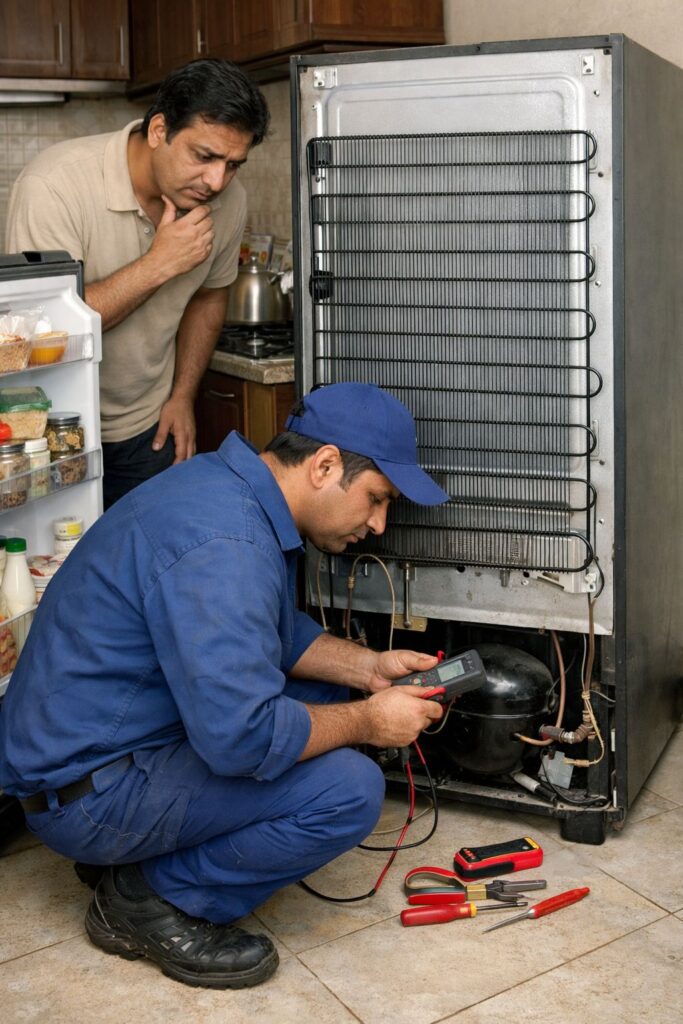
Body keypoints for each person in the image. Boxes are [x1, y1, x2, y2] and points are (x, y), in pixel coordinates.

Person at [0, 382, 449, 990]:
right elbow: (243, 738)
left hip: (99, 747)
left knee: (330, 705)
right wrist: (371, 721)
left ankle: (141, 853)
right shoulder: (226, 543)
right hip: (84, 794)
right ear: (324, 465)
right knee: (348, 789)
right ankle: (146, 898)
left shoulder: (227, 488)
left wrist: (368, 670)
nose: (377, 524)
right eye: (376, 499)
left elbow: (272, 631)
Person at [5, 59, 269, 509]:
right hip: (49, 430)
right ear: (158, 130)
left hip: (149, 428)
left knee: (145, 567)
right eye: (204, 156)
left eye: (233, 165)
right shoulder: (54, 185)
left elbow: (209, 295)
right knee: (56, 566)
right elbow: (42, 335)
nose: (217, 181)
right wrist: (158, 264)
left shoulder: (229, 200)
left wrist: (183, 395)